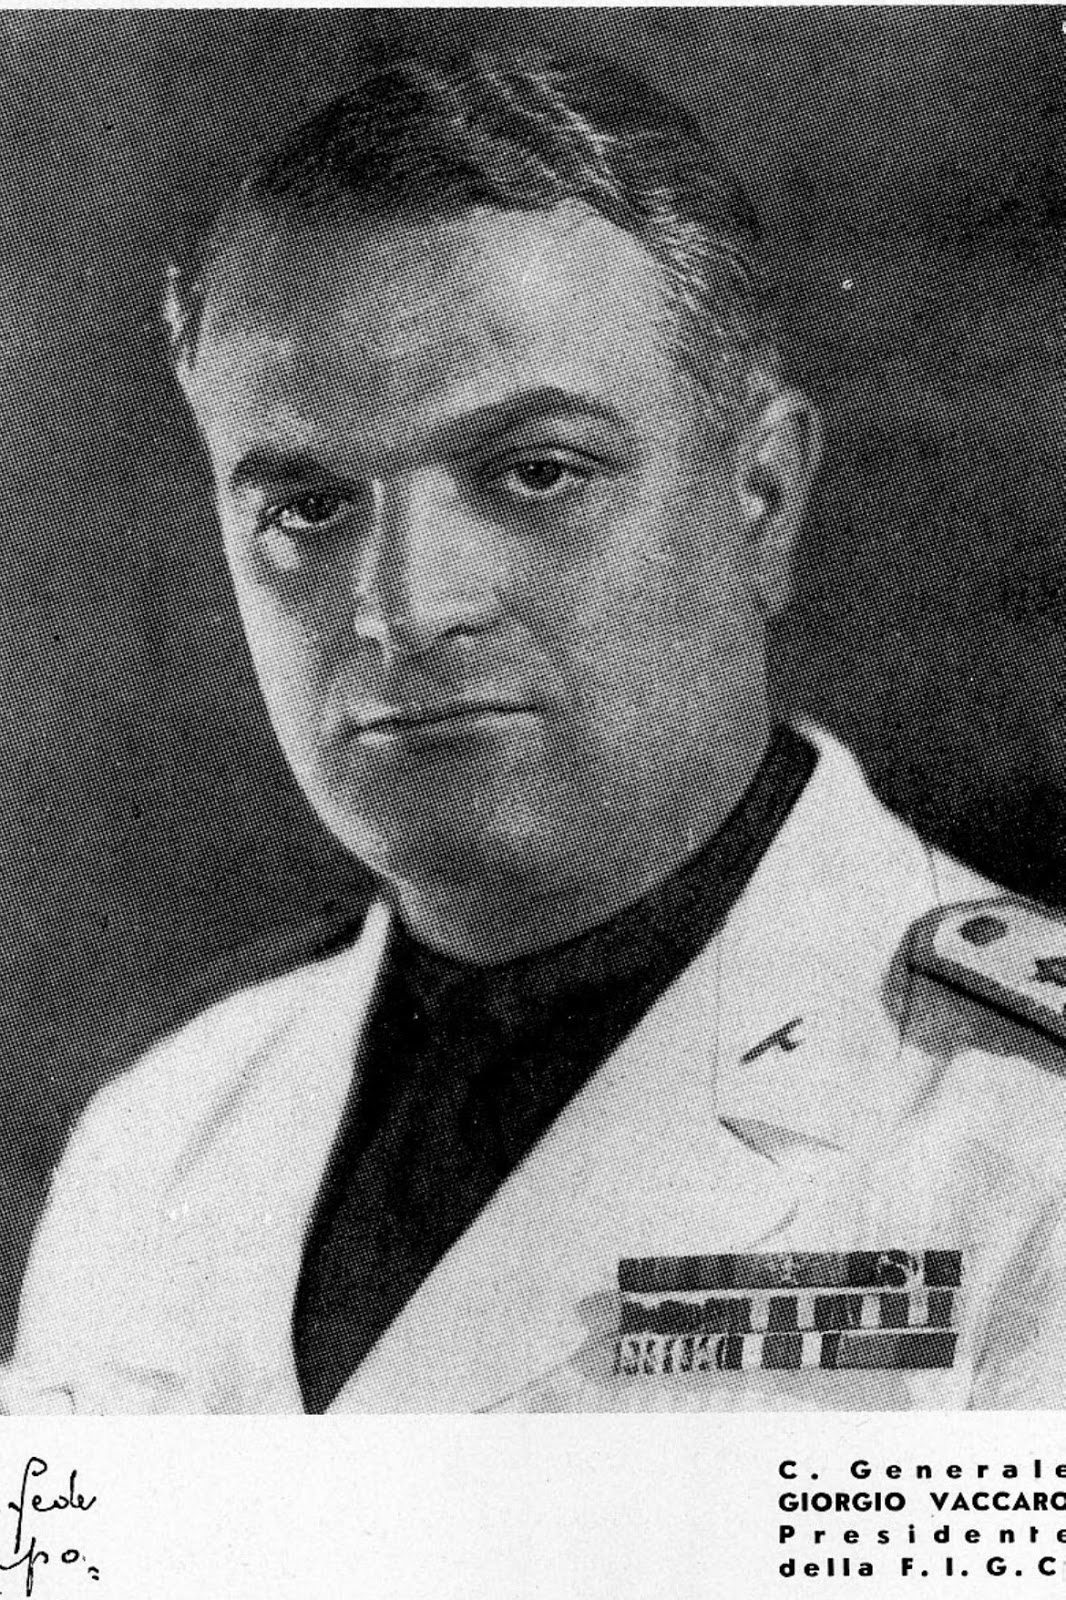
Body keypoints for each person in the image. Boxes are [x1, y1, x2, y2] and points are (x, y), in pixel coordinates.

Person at [9, 51, 1066, 1414]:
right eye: (307, 508)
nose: (403, 608)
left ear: (759, 495)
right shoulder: (158, 1144)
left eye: (535, 473)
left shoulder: (1018, 1138)